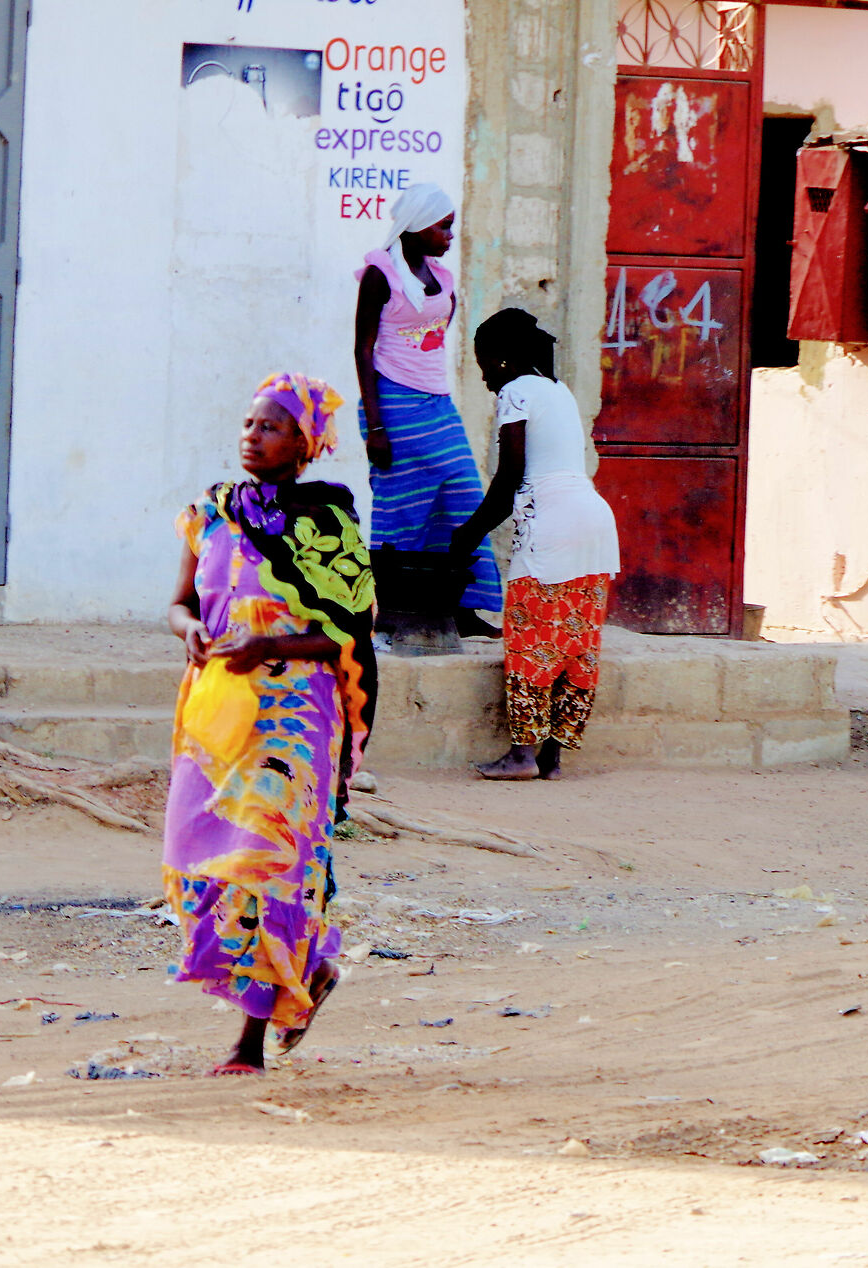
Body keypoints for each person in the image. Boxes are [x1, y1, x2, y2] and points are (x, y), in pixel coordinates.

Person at [165, 373, 376, 1076]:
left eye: (272, 427)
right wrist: (191, 627)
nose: (253, 437)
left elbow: (353, 629)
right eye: (250, 424)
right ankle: (311, 974)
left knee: (269, 864)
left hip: (292, 717)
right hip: (218, 711)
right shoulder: (212, 513)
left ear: (306, 443)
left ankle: (248, 1041)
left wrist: (270, 648)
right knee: (202, 859)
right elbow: (177, 601)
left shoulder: (327, 526)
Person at [451, 309, 622, 782]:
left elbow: (509, 480)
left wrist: (465, 537)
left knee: (530, 641)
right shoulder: (558, 390)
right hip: (594, 524)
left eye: (483, 362)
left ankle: (521, 754)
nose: (483, 374)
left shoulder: (516, 391)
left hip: (553, 527)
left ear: (502, 360)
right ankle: (552, 756)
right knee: (574, 644)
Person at [354, 182, 503, 637]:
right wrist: (376, 427)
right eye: (443, 226)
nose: (449, 234)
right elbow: (362, 350)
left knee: (463, 498)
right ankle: (387, 607)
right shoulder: (381, 274)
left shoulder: (442, 276)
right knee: (401, 508)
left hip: (437, 404)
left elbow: (434, 336)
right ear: (416, 227)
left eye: (450, 226)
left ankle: (460, 605)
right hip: (392, 405)